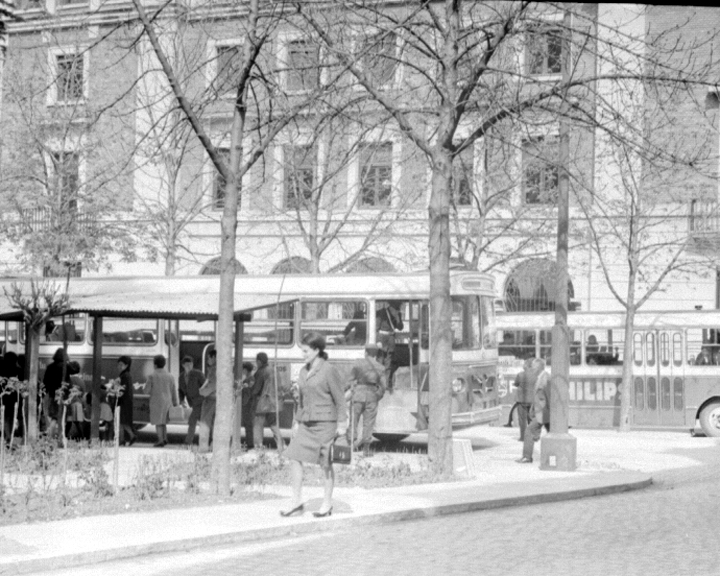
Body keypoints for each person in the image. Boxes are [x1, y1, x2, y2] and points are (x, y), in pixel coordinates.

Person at [280, 332, 347, 518]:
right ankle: (296, 503)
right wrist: (296, 422)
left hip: (326, 423)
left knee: (325, 463)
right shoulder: (303, 371)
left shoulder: (329, 370)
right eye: (302, 351)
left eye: (306, 351)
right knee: (294, 456)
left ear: (317, 350)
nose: (303, 354)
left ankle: (327, 504)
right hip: (307, 423)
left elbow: (340, 399)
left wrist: (342, 424)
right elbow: (301, 400)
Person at [347, 343, 386, 454]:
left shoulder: (358, 364)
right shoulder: (381, 367)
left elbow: (349, 380)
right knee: (369, 422)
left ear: (366, 352)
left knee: (353, 420)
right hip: (372, 396)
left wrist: (352, 389)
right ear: (376, 354)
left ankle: (350, 447)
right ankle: (366, 450)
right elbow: (383, 387)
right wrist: (377, 396)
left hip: (358, 394)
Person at [517, 358, 550, 464]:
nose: (532, 369)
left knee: (529, 431)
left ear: (540, 367)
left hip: (544, 412)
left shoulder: (545, 378)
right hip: (543, 412)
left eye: (534, 367)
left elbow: (547, 397)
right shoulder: (542, 377)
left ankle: (527, 457)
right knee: (552, 432)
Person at [252, 352, 285, 453]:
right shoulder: (274, 370)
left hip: (263, 402)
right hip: (275, 402)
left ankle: (258, 447)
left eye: (256, 362)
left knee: (258, 424)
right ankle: (281, 446)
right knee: (273, 424)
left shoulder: (261, 371)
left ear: (259, 361)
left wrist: (250, 391)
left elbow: (256, 389)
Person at [143, 354, 178, 447]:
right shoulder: (170, 376)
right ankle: (165, 438)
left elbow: (146, 391)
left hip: (156, 401)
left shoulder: (152, 376)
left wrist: (144, 388)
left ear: (155, 364)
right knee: (163, 421)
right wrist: (175, 403)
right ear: (164, 364)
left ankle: (160, 440)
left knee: (158, 422)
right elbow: (174, 390)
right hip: (168, 402)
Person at [376, 300, 403, 392]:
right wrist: (378, 340)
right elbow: (376, 328)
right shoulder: (381, 313)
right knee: (379, 363)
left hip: (391, 340)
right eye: (395, 307)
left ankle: (386, 384)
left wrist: (398, 318)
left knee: (388, 364)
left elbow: (400, 327)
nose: (396, 309)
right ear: (391, 306)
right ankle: (378, 385)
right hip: (381, 340)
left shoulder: (398, 314)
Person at [42, 348, 69, 439]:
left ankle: (51, 437)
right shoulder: (65, 367)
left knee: (54, 417)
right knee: (62, 418)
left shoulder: (50, 367)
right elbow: (68, 381)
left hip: (53, 394)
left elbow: (45, 381)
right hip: (63, 394)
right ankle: (61, 437)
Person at [179, 355, 205, 446]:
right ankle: (209, 440)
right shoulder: (181, 377)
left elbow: (205, 385)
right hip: (192, 402)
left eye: (191, 364)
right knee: (203, 421)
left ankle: (188, 441)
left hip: (201, 401)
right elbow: (181, 390)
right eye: (187, 365)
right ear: (183, 365)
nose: (189, 366)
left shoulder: (198, 374)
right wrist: (181, 400)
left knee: (192, 420)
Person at [514, 358, 538, 442]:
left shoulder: (520, 375)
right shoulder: (537, 375)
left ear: (526, 366)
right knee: (532, 419)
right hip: (533, 401)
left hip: (521, 401)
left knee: (522, 420)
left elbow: (516, 384)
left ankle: (523, 437)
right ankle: (533, 436)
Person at [198, 350, 217, 453]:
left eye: (208, 358)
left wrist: (201, 392)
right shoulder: (224, 368)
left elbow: (210, 386)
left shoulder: (214, 370)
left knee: (205, 422)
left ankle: (203, 447)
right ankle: (214, 446)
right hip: (219, 399)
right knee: (215, 423)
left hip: (211, 398)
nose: (208, 361)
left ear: (214, 357)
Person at [0, 352, 20, 444]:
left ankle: (7, 435)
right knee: (12, 416)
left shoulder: (1, 369)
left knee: (5, 416)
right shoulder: (17, 370)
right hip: (13, 396)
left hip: (4, 396)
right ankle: (10, 436)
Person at [117, 356, 136, 446]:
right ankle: (123, 439)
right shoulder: (127, 374)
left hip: (123, 401)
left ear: (126, 365)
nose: (119, 366)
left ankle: (127, 437)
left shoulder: (124, 375)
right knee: (122, 422)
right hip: (127, 401)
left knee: (121, 421)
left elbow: (122, 389)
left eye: (121, 365)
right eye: (119, 364)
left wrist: (116, 392)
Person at [237, 361, 255, 448]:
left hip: (247, 406)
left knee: (248, 425)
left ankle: (250, 444)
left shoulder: (248, 380)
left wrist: (243, 404)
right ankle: (249, 443)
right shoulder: (251, 379)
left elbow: (247, 394)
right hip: (249, 405)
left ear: (245, 370)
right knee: (248, 425)